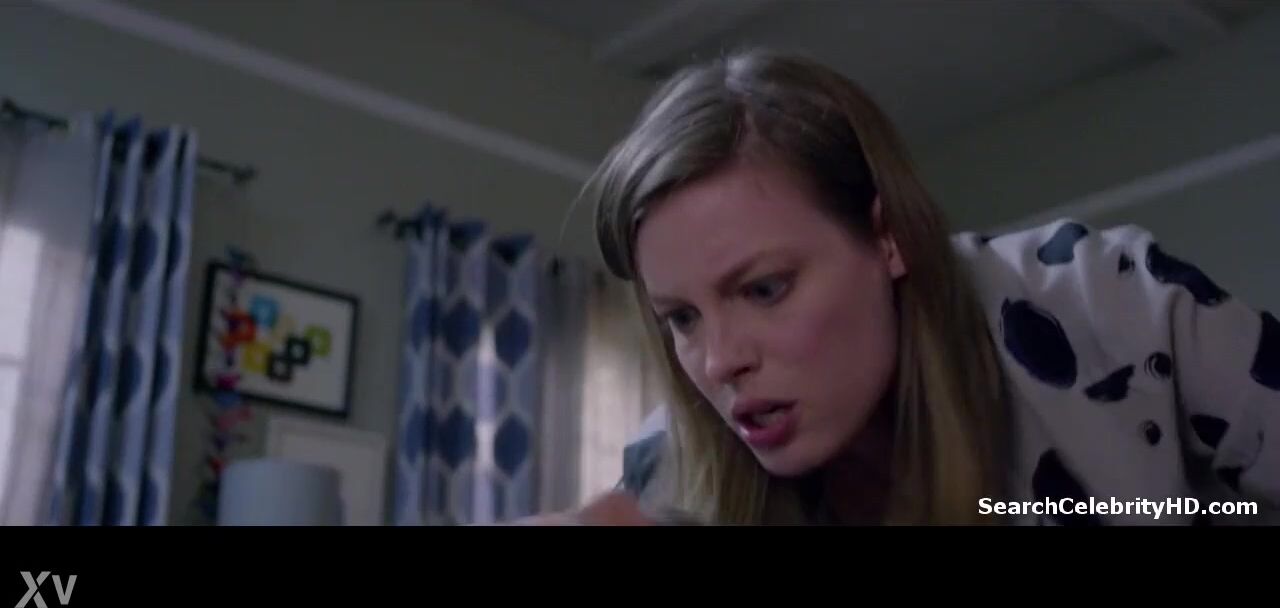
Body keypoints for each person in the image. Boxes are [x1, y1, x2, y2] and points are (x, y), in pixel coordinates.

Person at [529, 48, 1280, 525]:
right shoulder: (670, 474)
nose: (720, 361)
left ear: (886, 237)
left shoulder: (1111, 304)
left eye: (763, 290)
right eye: (682, 318)